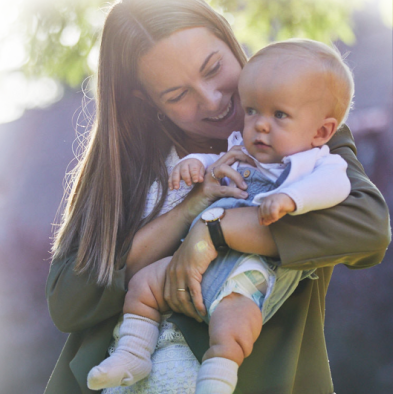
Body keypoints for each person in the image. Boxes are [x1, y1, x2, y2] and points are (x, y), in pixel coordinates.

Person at [44, 0, 390, 394]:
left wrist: (214, 231)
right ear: (146, 101)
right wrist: (191, 209)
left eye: (213, 68)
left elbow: (367, 229)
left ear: (229, 38)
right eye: (177, 95)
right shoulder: (133, 168)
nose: (212, 101)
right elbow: (69, 302)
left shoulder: (304, 128)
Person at [87, 39, 354, 394]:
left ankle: (216, 379)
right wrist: (194, 164)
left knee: (235, 321)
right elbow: (215, 165)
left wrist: (292, 198)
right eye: (253, 111)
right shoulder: (241, 149)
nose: (259, 125)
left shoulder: (317, 162)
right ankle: (132, 352)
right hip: (193, 266)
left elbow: (335, 186)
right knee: (145, 285)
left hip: (249, 270)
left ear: (320, 131)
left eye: (279, 115)